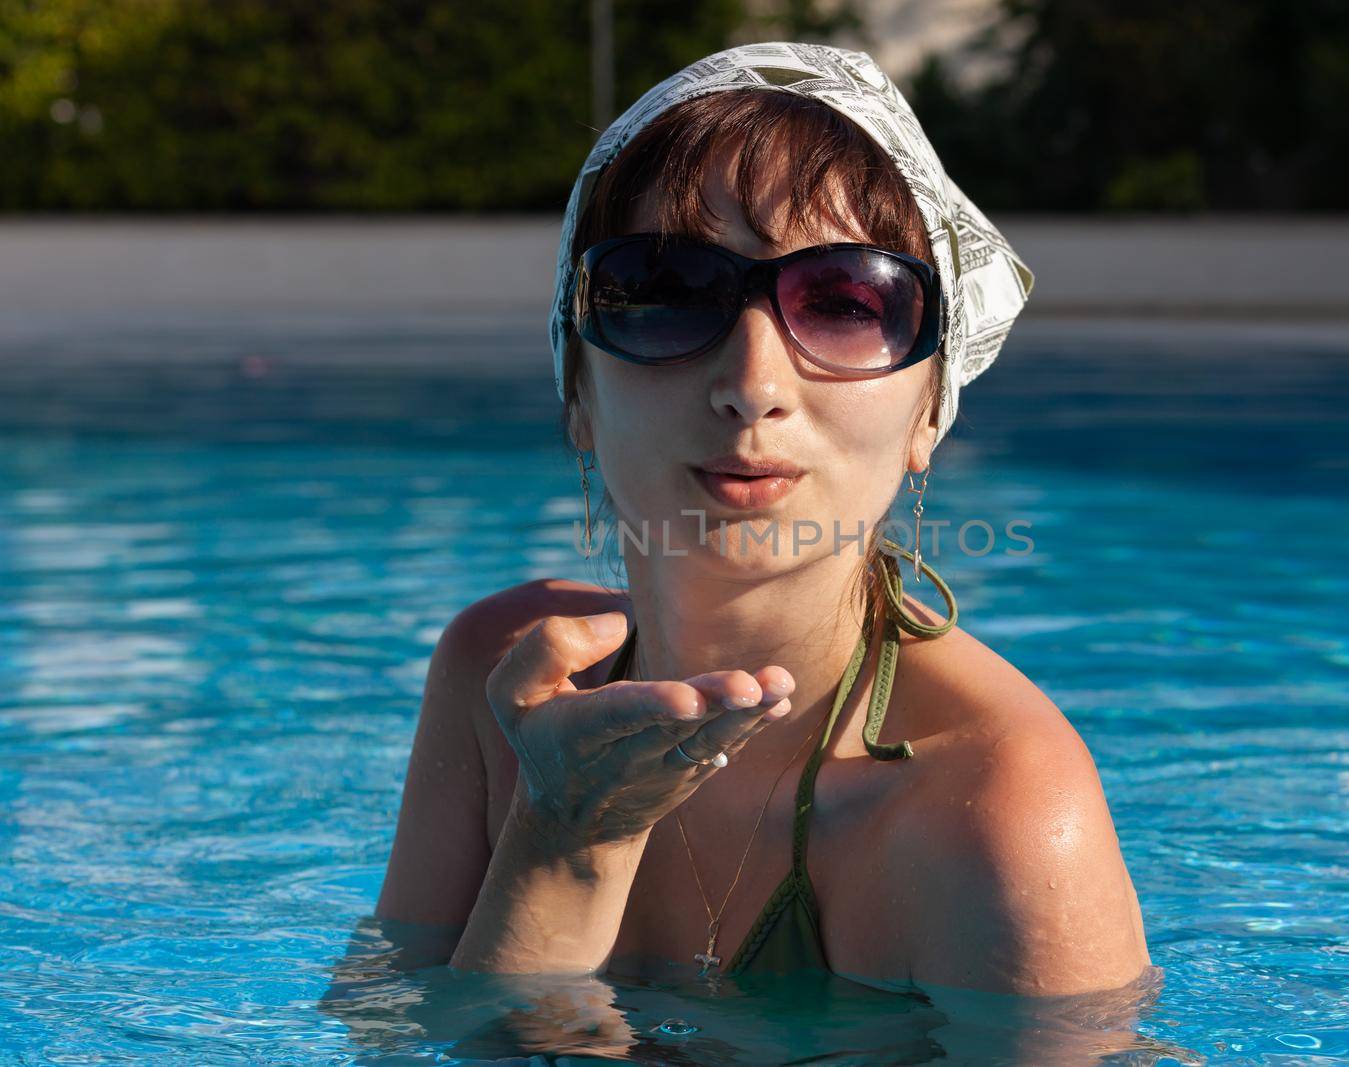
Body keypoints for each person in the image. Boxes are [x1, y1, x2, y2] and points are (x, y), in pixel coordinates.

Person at [374, 41, 1150, 998]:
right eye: (661, 292)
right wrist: (562, 842)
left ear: (930, 409)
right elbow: (381, 1035)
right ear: (575, 389)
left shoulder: (996, 810)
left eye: (845, 302)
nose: (751, 385)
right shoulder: (499, 676)